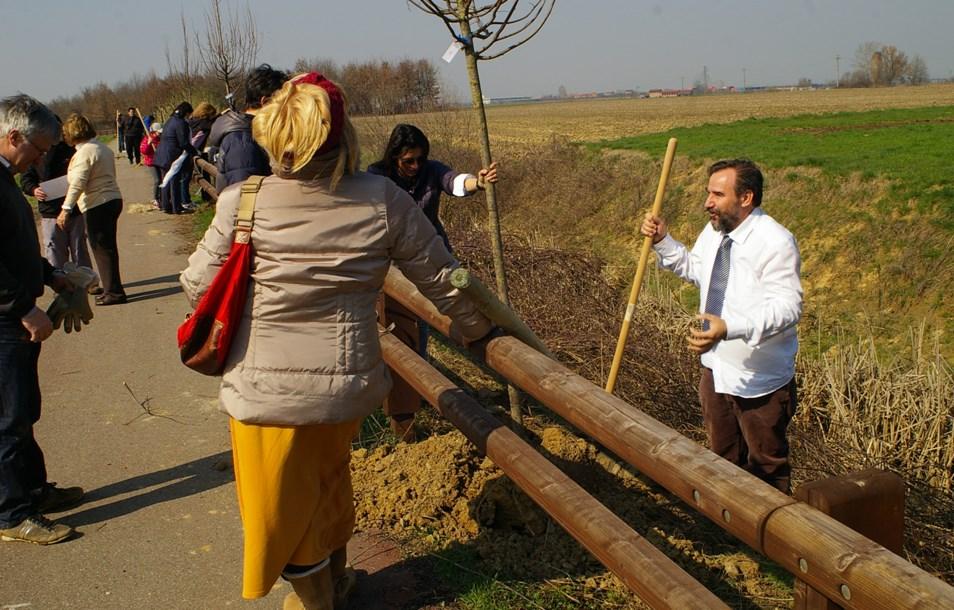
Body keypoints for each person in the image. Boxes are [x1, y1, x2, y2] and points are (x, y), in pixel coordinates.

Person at [181, 73, 493, 609]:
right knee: (326, 480)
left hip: (265, 394)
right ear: (342, 135)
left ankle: (316, 602)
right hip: (346, 387)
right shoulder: (384, 199)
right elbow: (442, 279)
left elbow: (195, 284)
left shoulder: (244, 201)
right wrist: (480, 331)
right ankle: (339, 582)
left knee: (283, 510)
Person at [640, 159, 802, 493]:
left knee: (766, 467)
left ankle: (769, 538)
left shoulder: (775, 242)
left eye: (717, 194)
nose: (707, 203)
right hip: (715, 369)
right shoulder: (715, 233)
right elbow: (695, 269)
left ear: (746, 198)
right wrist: (662, 241)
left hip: (758, 381)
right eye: (707, 193)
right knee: (724, 459)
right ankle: (733, 528)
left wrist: (730, 328)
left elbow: (788, 307)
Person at [367, 123, 498, 439]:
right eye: (408, 161)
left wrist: (476, 183)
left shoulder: (431, 171)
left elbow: (453, 182)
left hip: (431, 256)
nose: (415, 167)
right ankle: (405, 389)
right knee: (399, 320)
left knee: (427, 316)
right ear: (395, 157)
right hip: (392, 262)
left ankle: (422, 377)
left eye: (419, 160)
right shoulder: (377, 177)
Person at [0, 93, 85, 546]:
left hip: (14, 318)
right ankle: (11, 515)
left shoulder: (5, 178)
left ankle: (32, 490)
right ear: (14, 136)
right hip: (5, 323)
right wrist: (22, 309)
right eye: (38, 149)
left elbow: (13, 249)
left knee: (23, 410)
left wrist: (52, 276)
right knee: (8, 419)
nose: (41, 158)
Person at [20, 120, 100, 294]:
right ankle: (60, 282)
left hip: (74, 209)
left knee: (79, 248)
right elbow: (26, 179)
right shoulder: (36, 153)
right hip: (49, 211)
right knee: (54, 249)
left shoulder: (71, 150)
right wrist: (34, 190)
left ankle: (88, 282)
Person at [56, 114, 127, 306]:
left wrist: (66, 209)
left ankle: (113, 292)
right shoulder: (101, 148)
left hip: (97, 202)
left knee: (101, 248)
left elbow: (78, 183)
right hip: (112, 199)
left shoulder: (84, 153)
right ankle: (113, 288)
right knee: (108, 248)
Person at [206, 63, 287, 192]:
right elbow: (242, 196)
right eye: (282, 103)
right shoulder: (242, 142)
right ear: (265, 102)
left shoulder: (246, 134)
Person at [154, 102, 195, 215]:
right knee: (173, 181)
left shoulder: (170, 120)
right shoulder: (181, 123)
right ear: (186, 113)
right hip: (172, 156)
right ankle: (176, 207)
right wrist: (195, 152)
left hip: (161, 154)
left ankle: (166, 205)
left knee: (165, 180)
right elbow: (183, 142)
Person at [140, 122, 162, 208]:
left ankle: (161, 197)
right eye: (158, 132)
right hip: (151, 162)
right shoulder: (147, 138)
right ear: (153, 131)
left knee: (162, 179)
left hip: (160, 161)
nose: (159, 133)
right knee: (157, 180)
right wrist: (149, 143)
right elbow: (143, 151)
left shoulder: (161, 139)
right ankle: (155, 198)